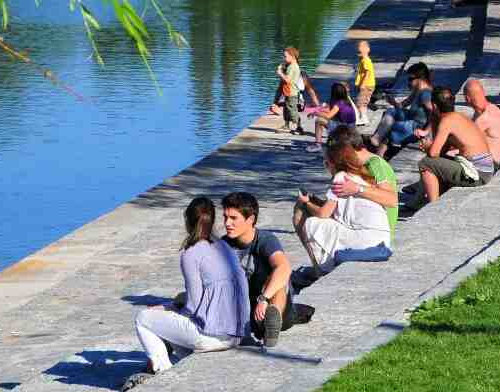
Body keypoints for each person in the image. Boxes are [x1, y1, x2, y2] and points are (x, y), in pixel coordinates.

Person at [125, 197, 248, 390]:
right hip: (236, 333)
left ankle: (163, 374)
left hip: (211, 335)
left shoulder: (190, 254)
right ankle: (183, 370)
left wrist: (169, 308)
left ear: (188, 221)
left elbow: (193, 306)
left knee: (143, 318)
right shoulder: (224, 247)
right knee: (173, 327)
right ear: (213, 220)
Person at [292, 127, 398, 281]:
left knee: (307, 218)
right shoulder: (356, 168)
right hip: (366, 226)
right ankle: (320, 268)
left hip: (373, 232)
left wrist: (357, 189)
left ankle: (320, 270)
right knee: (306, 210)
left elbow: (392, 200)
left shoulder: (375, 165)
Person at [221, 192, 294, 348]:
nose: (227, 223)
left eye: (233, 218)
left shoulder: (265, 240)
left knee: (277, 279)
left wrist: (264, 299)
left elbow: (284, 267)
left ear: (251, 219)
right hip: (244, 308)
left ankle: (272, 323)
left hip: (271, 304)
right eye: (225, 217)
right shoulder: (222, 245)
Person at [416, 87, 494, 203]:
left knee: (425, 163)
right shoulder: (458, 116)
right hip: (485, 169)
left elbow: (433, 153)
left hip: (477, 173)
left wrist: (427, 146)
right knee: (437, 162)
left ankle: (433, 205)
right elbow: (441, 152)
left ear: (434, 106)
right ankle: (418, 200)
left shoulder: (447, 121)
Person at [369, 62, 434, 157]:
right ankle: (377, 139)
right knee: (390, 111)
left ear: (420, 79)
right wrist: (393, 102)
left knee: (392, 128)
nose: (409, 82)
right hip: (410, 116)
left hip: (417, 126)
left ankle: (379, 154)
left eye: (411, 79)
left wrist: (426, 131)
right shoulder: (417, 90)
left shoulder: (425, 93)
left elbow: (435, 113)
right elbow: (402, 105)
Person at [463, 79, 500, 170]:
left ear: (467, 98)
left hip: (491, 162)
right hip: (497, 157)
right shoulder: (492, 109)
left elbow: (464, 141)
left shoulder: (483, 118)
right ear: (483, 92)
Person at [305, 82, 357, 153]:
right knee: (327, 119)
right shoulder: (346, 100)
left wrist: (316, 113)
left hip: (344, 129)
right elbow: (332, 110)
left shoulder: (339, 103)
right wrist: (320, 109)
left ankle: (318, 145)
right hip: (349, 127)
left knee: (319, 121)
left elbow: (328, 116)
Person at [276, 47, 304, 135]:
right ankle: (286, 125)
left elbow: (287, 80)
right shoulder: (290, 66)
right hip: (287, 92)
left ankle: (299, 127)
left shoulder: (293, 67)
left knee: (292, 110)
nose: (284, 58)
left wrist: (280, 73)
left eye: (285, 56)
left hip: (292, 93)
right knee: (286, 109)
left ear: (292, 56)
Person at [354, 41, 376, 126]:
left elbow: (367, 73)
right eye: (357, 50)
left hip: (366, 85)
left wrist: (363, 84)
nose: (358, 51)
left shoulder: (365, 61)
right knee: (363, 102)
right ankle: (363, 117)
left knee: (360, 102)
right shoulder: (364, 60)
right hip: (368, 85)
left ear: (367, 50)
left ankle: (363, 119)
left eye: (360, 50)